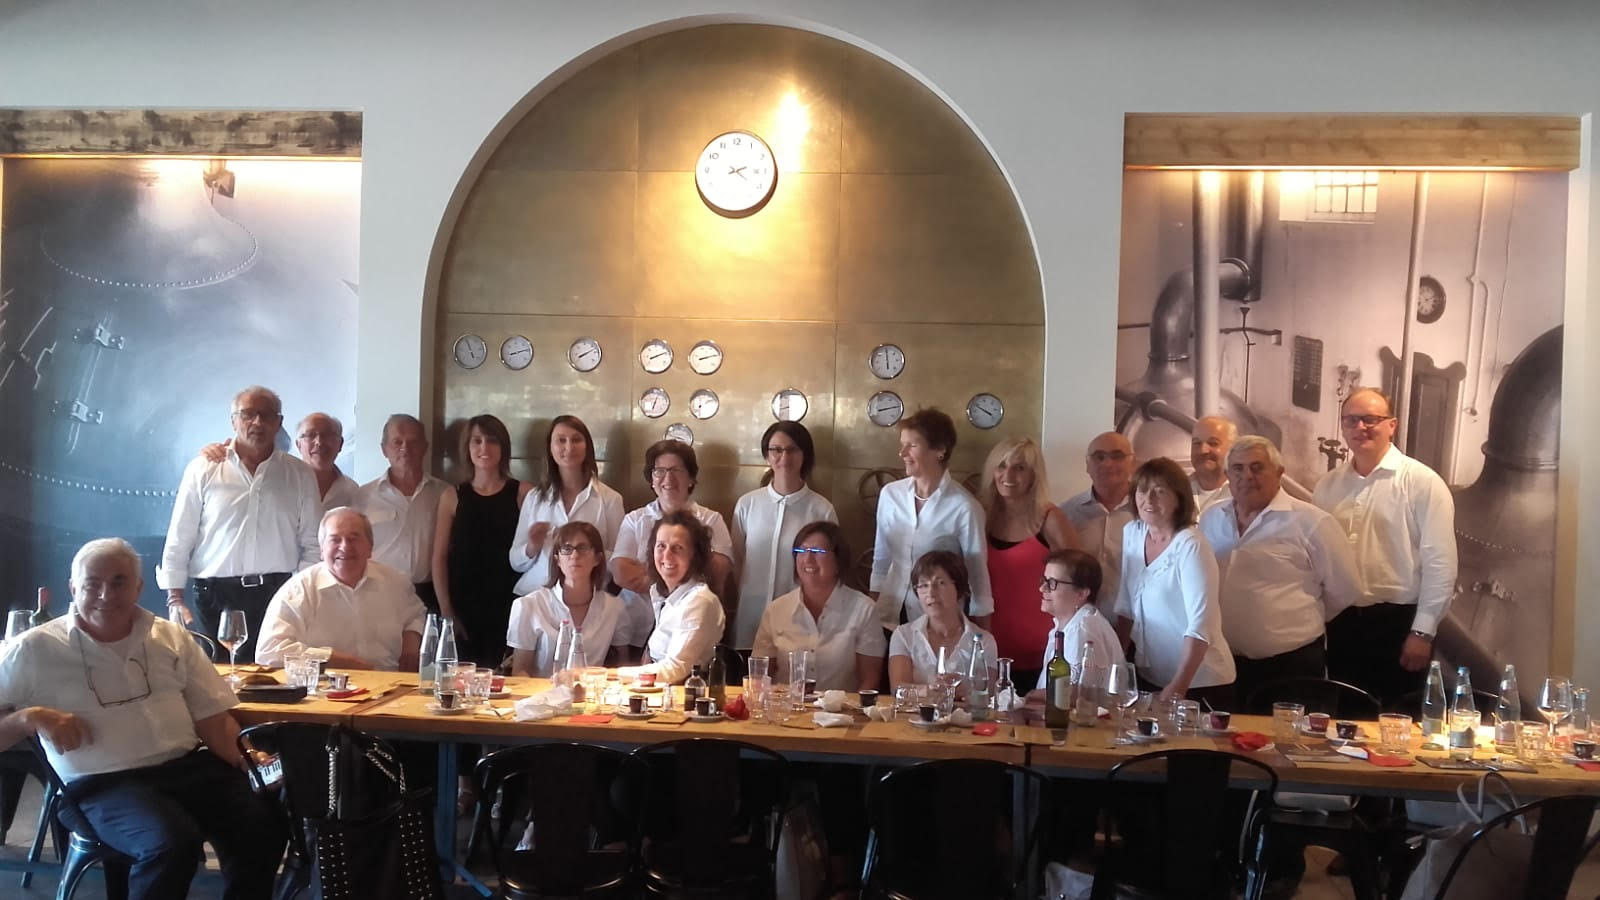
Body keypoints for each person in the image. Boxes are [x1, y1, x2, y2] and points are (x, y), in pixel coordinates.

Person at [0, 538, 285, 899]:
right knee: (171, 843)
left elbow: (213, 720)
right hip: (99, 785)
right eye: (93, 584)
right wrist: (29, 718)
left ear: (139, 587)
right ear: (73, 588)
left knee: (265, 823)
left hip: (187, 768)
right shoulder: (34, 648)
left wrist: (251, 759)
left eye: (119, 581)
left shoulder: (170, 637)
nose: (106, 594)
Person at [1314, 387, 1458, 704]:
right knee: (1346, 724)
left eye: (1370, 419)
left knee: (1397, 729)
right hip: (1342, 624)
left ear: (1391, 425)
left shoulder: (1422, 482)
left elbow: (1440, 563)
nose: (1359, 428)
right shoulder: (1328, 486)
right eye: (1351, 420)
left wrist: (1422, 632)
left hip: (1399, 625)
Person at [160, 385, 320, 662]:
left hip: (276, 593)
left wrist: (301, 596)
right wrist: (175, 598)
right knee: (215, 681)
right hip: (214, 595)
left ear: (278, 422)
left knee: (272, 677)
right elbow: (180, 536)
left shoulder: (299, 474)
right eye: (248, 415)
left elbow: (312, 544)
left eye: (266, 415)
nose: (257, 422)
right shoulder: (204, 468)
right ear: (233, 420)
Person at [1199, 436, 1363, 702]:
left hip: (1290, 666)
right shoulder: (1210, 518)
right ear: (1228, 474)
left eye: (1257, 467)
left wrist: (1293, 621)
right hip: (1223, 664)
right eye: (1238, 469)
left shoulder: (1312, 522)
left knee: (1287, 742)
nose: (1247, 476)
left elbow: (1345, 590)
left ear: (1279, 473)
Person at [1113, 457, 1235, 707]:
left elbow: (1202, 625)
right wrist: (1117, 667)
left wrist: (1179, 685)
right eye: (1142, 490)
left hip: (1199, 681)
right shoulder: (1133, 533)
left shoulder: (1191, 544)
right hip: (1150, 674)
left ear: (1179, 497)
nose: (1149, 499)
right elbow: (1126, 606)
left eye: (1160, 492)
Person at [255, 507, 428, 671]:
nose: (345, 547)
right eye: (335, 539)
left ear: (370, 547)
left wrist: (412, 639)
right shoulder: (298, 590)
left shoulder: (395, 583)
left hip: (392, 688)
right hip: (325, 691)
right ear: (322, 550)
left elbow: (416, 615)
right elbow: (268, 651)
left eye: (354, 538)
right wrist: (332, 660)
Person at [871, 408, 992, 631]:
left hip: (938, 622)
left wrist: (982, 636)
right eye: (902, 444)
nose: (902, 453)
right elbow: (881, 559)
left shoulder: (964, 507)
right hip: (888, 615)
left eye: (912, 445)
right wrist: (873, 609)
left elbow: (978, 577)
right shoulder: (890, 494)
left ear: (940, 451)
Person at [432, 414, 531, 670]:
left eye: (492, 441)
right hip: (464, 606)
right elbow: (439, 556)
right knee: (464, 680)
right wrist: (446, 609)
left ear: (503, 448)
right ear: (467, 447)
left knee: (505, 679)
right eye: (477, 441)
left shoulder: (523, 493)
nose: (484, 448)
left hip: (509, 604)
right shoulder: (452, 496)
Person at [980, 437, 1079, 690]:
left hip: (1043, 654)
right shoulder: (980, 516)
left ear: (1034, 475)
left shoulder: (1050, 519)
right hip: (988, 653)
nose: (1008, 474)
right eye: (1001, 466)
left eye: (1020, 468)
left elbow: (1079, 582)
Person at [611, 440, 734, 641]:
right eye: (659, 471)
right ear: (651, 479)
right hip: (634, 630)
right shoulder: (635, 520)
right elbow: (620, 573)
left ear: (691, 478)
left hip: (690, 630)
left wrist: (650, 571)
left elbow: (717, 572)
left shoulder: (711, 520)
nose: (668, 478)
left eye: (676, 470)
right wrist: (681, 571)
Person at [732, 422, 838, 651]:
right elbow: (738, 559)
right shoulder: (748, 504)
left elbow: (829, 566)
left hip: (799, 620)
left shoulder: (821, 509)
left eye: (792, 450)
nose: (784, 457)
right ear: (767, 455)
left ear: (804, 455)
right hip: (750, 615)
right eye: (776, 450)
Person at [752, 522, 884, 692]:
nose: (807, 559)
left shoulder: (864, 609)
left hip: (840, 713)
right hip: (786, 711)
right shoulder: (776, 610)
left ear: (838, 559)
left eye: (817, 552)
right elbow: (759, 676)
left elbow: (869, 682)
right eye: (801, 551)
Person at [508, 416, 624, 598]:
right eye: (561, 440)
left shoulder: (610, 499)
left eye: (576, 440)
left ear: (587, 447)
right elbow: (515, 561)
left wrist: (589, 551)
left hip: (589, 602)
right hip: (536, 597)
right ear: (550, 448)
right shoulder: (535, 498)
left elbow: (619, 562)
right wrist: (532, 546)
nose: (569, 447)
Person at [507, 521, 632, 676]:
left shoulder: (615, 607)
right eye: (566, 549)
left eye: (583, 548)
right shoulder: (529, 605)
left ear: (597, 559)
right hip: (541, 695)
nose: (574, 555)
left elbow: (622, 666)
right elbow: (520, 672)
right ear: (557, 559)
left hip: (591, 694)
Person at [619, 512, 725, 684]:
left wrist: (611, 675)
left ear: (695, 556)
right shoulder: (661, 593)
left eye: (678, 548)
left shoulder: (700, 600)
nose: (666, 556)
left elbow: (675, 669)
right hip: (658, 691)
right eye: (661, 546)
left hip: (687, 697)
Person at [357, 414, 449, 613]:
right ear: (384, 449)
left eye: (413, 442)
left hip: (428, 594)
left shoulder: (444, 493)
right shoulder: (362, 496)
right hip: (378, 592)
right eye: (397, 442)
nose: (405, 448)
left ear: (425, 447)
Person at [888, 551, 998, 692]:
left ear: (959, 588)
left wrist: (960, 690)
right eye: (923, 585)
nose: (931, 593)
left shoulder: (984, 641)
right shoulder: (903, 635)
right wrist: (931, 690)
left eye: (940, 583)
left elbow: (987, 693)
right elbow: (898, 688)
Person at [1029, 548, 1123, 697]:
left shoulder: (1082, 630)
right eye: (1044, 580)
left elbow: (1073, 696)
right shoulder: (1072, 623)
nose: (1042, 588)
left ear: (1081, 593)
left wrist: (1030, 697)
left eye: (1052, 583)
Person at [1058, 431, 1136, 605]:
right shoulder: (1066, 514)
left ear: (1133, 463)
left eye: (1117, 456)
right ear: (1087, 465)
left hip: (1138, 624)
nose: (1107, 464)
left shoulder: (1147, 513)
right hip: (1080, 621)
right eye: (1099, 457)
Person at [1189, 415, 1237, 512]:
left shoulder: (1242, 495)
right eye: (1197, 443)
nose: (1203, 450)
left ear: (1233, 449)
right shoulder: (1175, 490)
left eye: (1213, 443)